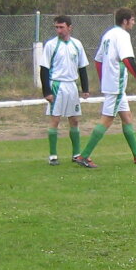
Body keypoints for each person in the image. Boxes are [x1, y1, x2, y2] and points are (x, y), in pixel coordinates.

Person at [74, 8, 136, 167]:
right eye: (132, 19)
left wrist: (103, 79)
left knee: (127, 117)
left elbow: (98, 60)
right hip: (116, 85)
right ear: (125, 21)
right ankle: (83, 156)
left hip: (112, 84)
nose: (134, 22)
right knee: (107, 119)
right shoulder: (122, 35)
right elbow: (127, 59)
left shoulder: (108, 34)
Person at [40, 15, 90, 166]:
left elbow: (82, 67)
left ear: (69, 27)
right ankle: (53, 156)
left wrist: (85, 88)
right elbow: (44, 69)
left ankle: (76, 154)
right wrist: (47, 92)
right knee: (55, 119)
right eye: (56, 27)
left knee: (74, 120)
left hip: (72, 86)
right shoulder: (51, 45)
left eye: (61, 27)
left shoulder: (77, 44)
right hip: (57, 85)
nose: (58, 30)